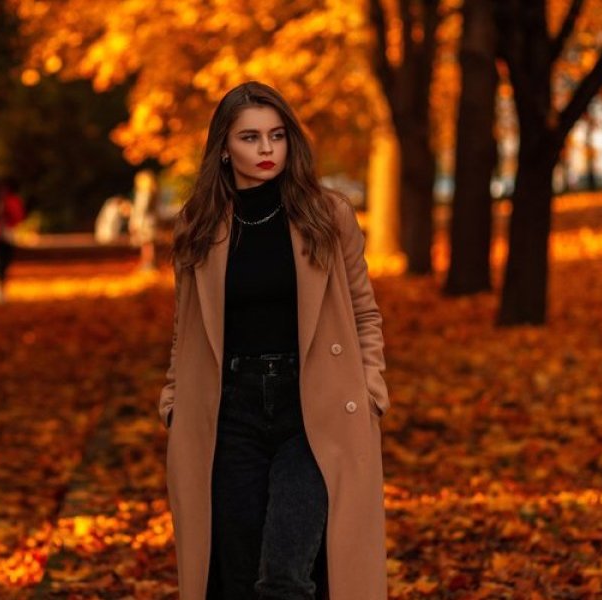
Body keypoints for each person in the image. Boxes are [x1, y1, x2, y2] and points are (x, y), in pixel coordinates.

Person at [158, 81, 390, 600]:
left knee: (285, 573)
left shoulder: (328, 216)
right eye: (250, 137)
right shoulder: (197, 225)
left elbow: (364, 314)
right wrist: (174, 400)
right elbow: (186, 328)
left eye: (277, 135)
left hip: (312, 408)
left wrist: (371, 390)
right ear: (224, 148)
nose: (266, 149)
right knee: (235, 576)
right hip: (229, 410)